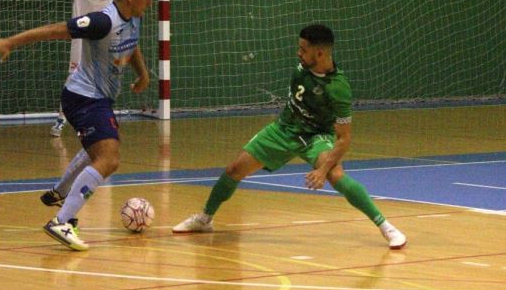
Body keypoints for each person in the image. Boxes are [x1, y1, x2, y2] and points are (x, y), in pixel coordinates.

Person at [172, 24, 407, 250]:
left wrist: (322, 170)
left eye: (304, 49)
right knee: (234, 169)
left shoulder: (338, 88)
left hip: (316, 136)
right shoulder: (301, 69)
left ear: (321, 52)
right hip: (284, 129)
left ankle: (386, 227)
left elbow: (344, 139)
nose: (298, 53)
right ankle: (204, 219)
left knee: (336, 175)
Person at [0, 0, 160, 251]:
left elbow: (132, 44)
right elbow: (56, 30)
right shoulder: (102, 21)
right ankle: (61, 221)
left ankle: (59, 192)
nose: (149, 4)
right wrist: (10, 43)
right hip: (83, 97)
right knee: (109, 157)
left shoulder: (133, 18)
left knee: (99, 150)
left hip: (99, 99)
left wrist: (143, 73)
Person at [47, 0, 150, 137]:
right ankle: (61, 118)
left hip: (106, 31)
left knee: (108, 75)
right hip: (82, 31)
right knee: (74, 74)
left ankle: (102, 118)